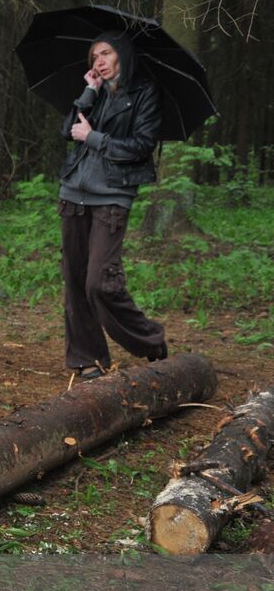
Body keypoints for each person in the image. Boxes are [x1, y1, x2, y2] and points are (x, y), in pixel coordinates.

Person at [59, 32, 168, 378]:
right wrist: (88, 92)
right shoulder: (94, 93)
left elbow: (140, 146)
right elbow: (68, 129)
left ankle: (149, 339)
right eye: (94, 57)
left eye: (106, 53)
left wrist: (94, 137)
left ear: (123, 55)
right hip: (74, 192)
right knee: (75, 280)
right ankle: (88, 359)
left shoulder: (144, 93)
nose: (99, 62)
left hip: (112, 195)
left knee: (99, 281)